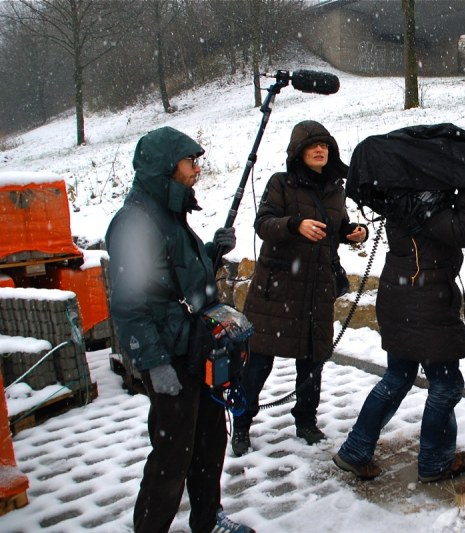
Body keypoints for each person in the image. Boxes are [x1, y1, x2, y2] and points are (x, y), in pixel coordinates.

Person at [105, 126, 253, 533]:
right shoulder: (135, 222)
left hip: (196, 350)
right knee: (173, 454)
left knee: (209, 442)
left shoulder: (170, 214)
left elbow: (176, 278)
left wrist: (210, 252)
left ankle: (207, 520)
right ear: (167, 168)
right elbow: (129, 305)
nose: (197, 171)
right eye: (191, 163)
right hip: (170, 357)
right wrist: (154, 365)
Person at [332, 159, 465, 483]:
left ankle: (355, 449)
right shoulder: (428, 206)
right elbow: (463, 230)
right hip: (425, 305)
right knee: (446, 385)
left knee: (398, 377)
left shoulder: (402, 200)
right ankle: (435, 461)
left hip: (401, 300)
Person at [232, 120, 367, 455]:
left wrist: (353, 232)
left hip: (316, 289)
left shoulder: (336, 189)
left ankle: (306, 421)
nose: (319, 150)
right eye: (312, 146)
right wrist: (295, 225)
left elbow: (335, 227)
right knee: (259, 362)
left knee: (312, 360)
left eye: (325, 146)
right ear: (298, 153)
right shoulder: (281, 184)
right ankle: (242, 424)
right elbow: (263, 224)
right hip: (277, 290)